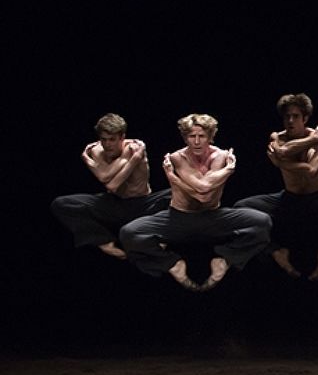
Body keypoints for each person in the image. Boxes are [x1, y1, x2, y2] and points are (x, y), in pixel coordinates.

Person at [120, 114, 270, 290]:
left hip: (213, 218)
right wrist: (228, 170)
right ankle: (171, 264)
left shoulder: (220, 156)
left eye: (202, 136)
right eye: (192, 136)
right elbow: (202, 190)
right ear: (185, 138)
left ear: (210, 136)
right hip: (178, 218)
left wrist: (173, 178)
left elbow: (205, 195)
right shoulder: (177, 157)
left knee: (262, 222)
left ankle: (225, 258)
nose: (197, 141)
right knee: (129, 233)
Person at [234, 93, 318, 280]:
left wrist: (280, 163)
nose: (290, 120)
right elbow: (283, 150)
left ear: (305, 118)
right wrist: (310, 141)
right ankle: (276, 252)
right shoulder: (283, 137)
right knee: (240, 209)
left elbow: (311, 170)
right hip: (288, 197)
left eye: (295, 116)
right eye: (287, 116)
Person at [51, 113, 170, 260]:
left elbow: (112, 183)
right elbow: (106, 179)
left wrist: (135, 157)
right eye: (103, 140)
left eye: (112, 140)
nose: (107, 144)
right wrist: (87, 159)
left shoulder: (133, 148)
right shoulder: (96, 151)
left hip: (143, 204)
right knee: (62, 204)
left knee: (177, 193)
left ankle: (162, 240)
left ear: (122, 137)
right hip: (115, 203)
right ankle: (105, 242)